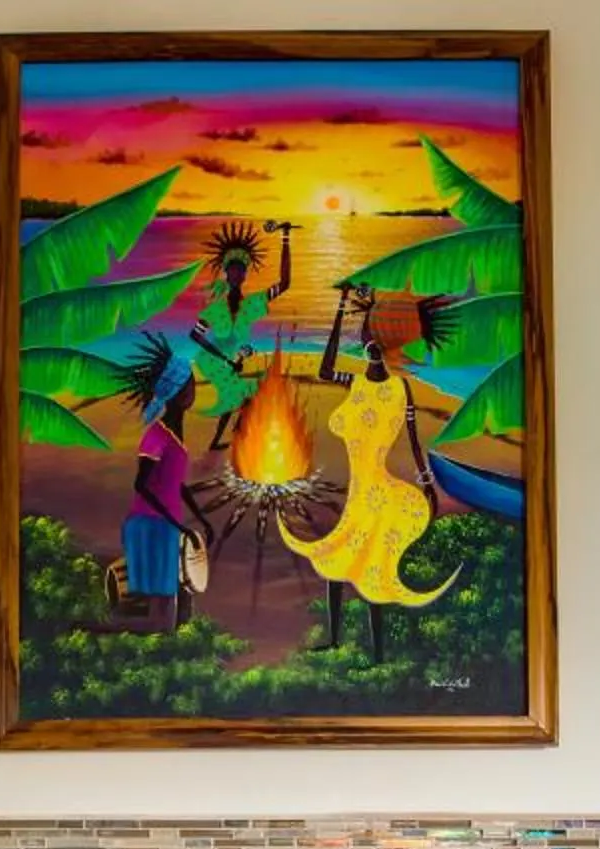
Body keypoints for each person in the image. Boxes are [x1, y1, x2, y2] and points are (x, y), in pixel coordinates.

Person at [280, 341, 457, 653]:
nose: (373, 347)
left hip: (377, 492)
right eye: (368, 340)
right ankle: (336, 641)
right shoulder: (356, 382)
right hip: (359, 491)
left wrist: (427, 480)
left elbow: (413, 438)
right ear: (364, 348)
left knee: (372, 568)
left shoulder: (401, 388)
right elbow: (325, 370)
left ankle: (376, 651)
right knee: (336, 558)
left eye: (378, 342)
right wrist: (340, 315)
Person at [120, 345, 212, 633]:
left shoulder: (174, 435)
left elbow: (175, 483)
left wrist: (201, 518)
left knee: (173, 593)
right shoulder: (157, 435)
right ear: (175, 392)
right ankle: (160, 643)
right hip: (151, 524)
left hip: (166, 523)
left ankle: (168, 642)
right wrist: (177, 524)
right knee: (164, 597)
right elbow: (141, 484)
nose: (192, 391)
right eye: (188, 385)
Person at [189, 220, 293, 450]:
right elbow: (195, 335)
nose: (237, 274)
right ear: (226, 273)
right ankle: (234, 435)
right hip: (213, 361)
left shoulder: (252, 304)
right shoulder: (216, 307)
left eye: (241, 270)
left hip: (232, 361)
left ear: (245, 275)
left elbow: (284, 283)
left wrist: (285, 238)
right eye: (233, 270)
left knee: (243, 395)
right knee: (239, 394)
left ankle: (228, 436)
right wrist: (224, 358)